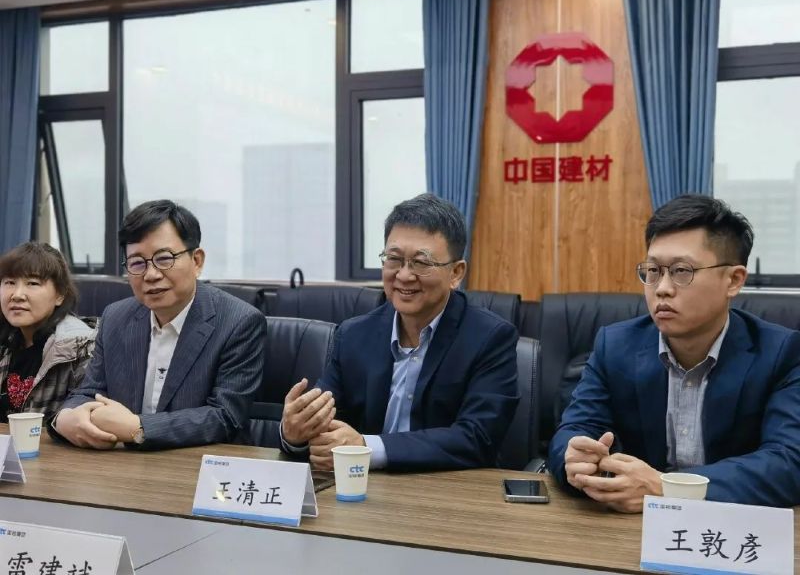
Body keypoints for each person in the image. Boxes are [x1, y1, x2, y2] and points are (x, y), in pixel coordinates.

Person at [549, 194, 800, 510]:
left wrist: (666, 488)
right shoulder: (615, 345)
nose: (662, 288)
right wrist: (573, 459)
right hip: (630, 524)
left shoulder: (781, 353)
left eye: (682, 271)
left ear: (733, 281)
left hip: (730, 523)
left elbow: (788, 463)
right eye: (653, 271)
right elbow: (572, 431)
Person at [280, 193, 519, 471]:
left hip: (449, 489)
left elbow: (476, 438)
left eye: (421, 262)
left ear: (456, 273)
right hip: (361, 488)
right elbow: (322, 423)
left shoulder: (490, 338)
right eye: (393, 259)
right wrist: (294, 434)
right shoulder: (354, 335)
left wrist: (366, 448)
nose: (404, 276)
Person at [52, 200, 265, 450]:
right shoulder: (115, 318)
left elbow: (225, 417)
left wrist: (138, 428)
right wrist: (63, 419)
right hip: (123, 465)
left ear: (197, 261)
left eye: (164, 259)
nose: (151, 275)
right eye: (137, 263)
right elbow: (89, 392)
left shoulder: (239, 322)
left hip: (200, 465)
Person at [0, 242, 95, 423]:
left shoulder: (82, 346)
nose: (17, 295)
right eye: (10, 282)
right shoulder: (6, 339)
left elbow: (85, 417)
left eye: (32, 283)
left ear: (60, 295)